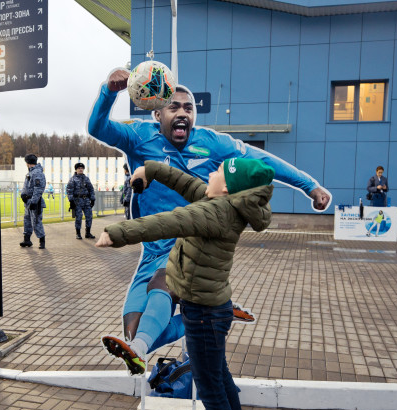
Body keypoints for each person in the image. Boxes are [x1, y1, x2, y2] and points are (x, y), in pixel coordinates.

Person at [88, 67, 331, 373]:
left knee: (163, 285)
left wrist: (309, 185)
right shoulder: (138, 137)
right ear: (157, 114)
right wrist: (109, 92)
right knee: (134, 331)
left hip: (190, 242)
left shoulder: (212, 143)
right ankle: (215, 314)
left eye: (188, 108)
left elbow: (262, 160)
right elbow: (98, 128)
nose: (182, 113)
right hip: (152, 248)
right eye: (173, 107)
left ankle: (199, 319)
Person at [96, 158, 272, 410]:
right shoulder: (217, 200)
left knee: (210, 387)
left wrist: (116, 233)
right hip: (208, 307)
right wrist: (152, 170)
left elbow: (168, 221)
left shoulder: (215, 213)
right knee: (218, 374)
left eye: (218, 172)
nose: (209, 173)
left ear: (228, 188)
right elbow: (183, 181)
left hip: (204, 313)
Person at [20, 154, 46, 249]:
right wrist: (23, 195)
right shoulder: (30, 172)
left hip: (35, 202)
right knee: (27, 220)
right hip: (28, 201)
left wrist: (34, 202)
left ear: (27, 163)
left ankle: (42, 240)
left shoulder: (37, 172)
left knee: (36, 222)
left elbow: (39, 188)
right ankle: (27, 240)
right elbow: (25, 186)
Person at [66, 162, 96, 239]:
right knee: (78, 217)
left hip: (86, 200)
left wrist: (92, 199)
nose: (80, 169)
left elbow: (91, 189)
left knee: (89, 217)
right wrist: (71, 201)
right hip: (77, 201)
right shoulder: (72, 179)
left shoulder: (86, 178)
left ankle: (88, 233)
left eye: (82, 168)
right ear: (76, 170)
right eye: (79, 168)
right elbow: (69, 191)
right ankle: (78, 233)